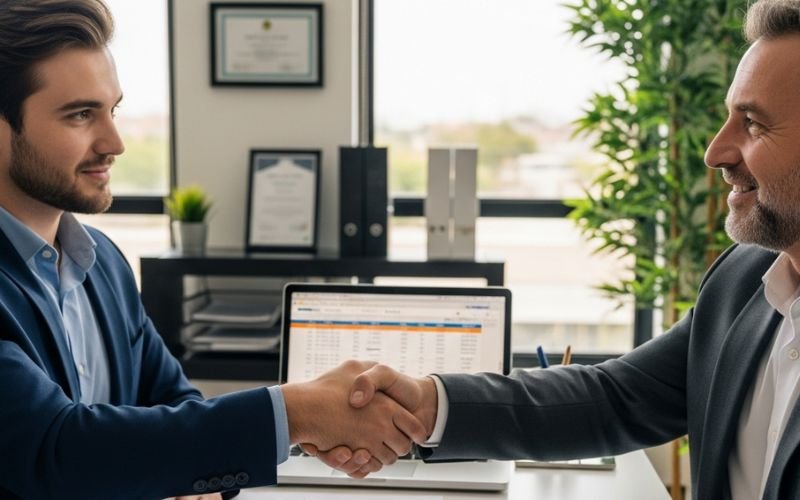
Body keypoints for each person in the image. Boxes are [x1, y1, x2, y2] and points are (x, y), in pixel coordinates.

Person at [308, 1, 800, 498]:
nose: (715, 152)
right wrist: (425, 403)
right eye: (727, 118)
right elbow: (617, 398)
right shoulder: (742, 282)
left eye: (753, 124)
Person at [0, 1, 424, 498]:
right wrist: (297, 412)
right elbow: (55, 447)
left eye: (112, 111)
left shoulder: (103, 263)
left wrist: (194, 475)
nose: (114, 142)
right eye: (80, 115)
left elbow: (173, 401)